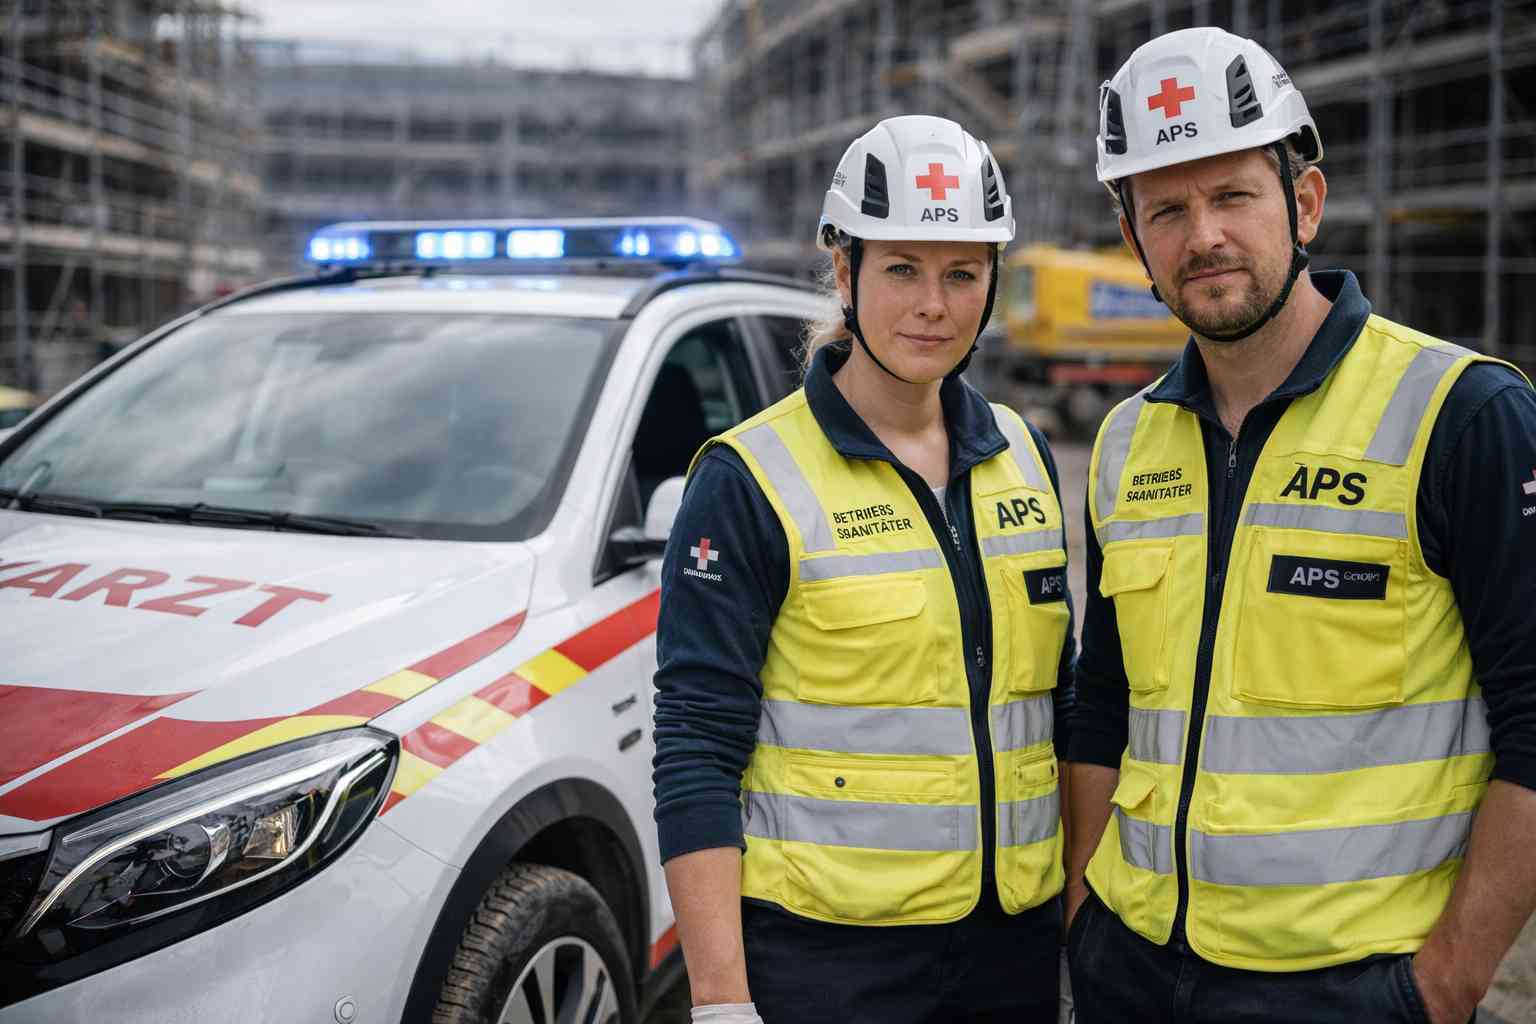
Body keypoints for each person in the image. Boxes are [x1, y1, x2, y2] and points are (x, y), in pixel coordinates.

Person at [1064, 25, 1536, 1024]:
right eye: (1166, 210)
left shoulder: (1461, 415)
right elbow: (1103, 703)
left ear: (1305, 202)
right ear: (1134, 241)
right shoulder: (1123, 442)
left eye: (1233, 195)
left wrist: (1447, 983)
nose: (1203, 236)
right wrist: (1084, 921)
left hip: (1352, 990)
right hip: (1131, 976)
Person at [652, 115, 1076, 1024]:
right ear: (844, 273)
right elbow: (697, 745)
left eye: (962, 274)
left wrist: (1079, 930)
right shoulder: (750, 478)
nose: (934, 305)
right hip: (828, 966)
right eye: (902, 270)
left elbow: (1061, 705)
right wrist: (720, 999)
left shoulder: (1024, 455)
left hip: (1012, 955)